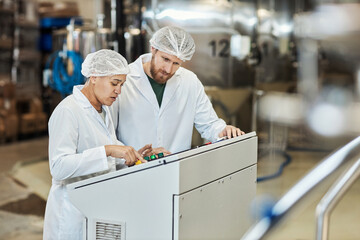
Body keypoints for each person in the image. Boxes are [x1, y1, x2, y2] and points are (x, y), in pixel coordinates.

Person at [43, 49, 152, 240]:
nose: (118, 91)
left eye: (122, 85)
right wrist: (108, 151)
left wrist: (132, 155)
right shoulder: (68, 111)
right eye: (114, 83)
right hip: (70, 213)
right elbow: (58, 167)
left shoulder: (103, 110)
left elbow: (105, 152)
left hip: (96, 206)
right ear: (94, 77)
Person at [110, 26, 245, 154]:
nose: (168, 69)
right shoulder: (124, 80)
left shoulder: (189, 81)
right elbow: (108, 134)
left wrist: (223, 130)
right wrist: (132, 155)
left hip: (176, 169)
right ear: (153, 49)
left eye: (176, 63)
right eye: (165, 59)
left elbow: (209, 124)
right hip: (132, 171)